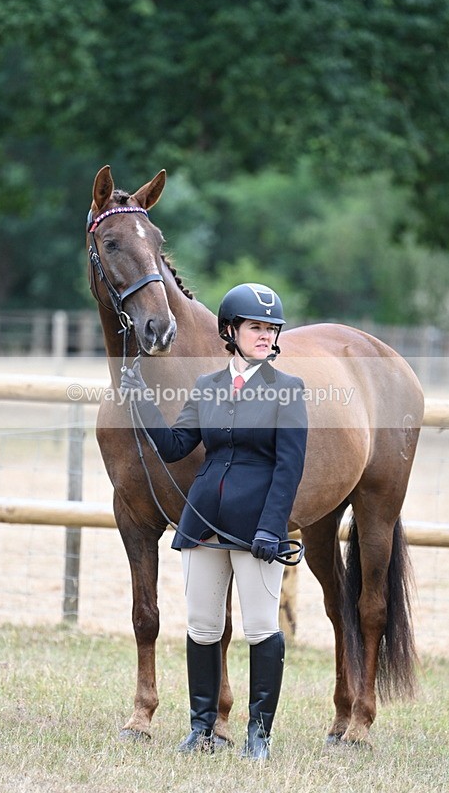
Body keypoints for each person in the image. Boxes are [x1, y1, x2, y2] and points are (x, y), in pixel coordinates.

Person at [121, 283, 308, 760]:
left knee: (261, 628)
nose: (266, 336)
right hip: (203, 519)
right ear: (230, 331)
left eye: (272, 329)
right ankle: (201, 727)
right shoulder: (207, 386)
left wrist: (271, 528)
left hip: (257, 526)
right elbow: (175, 448)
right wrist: (141, 400)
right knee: (203, 627)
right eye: (255, 328)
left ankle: (258, 735)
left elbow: (289, 469)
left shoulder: (288, 390)